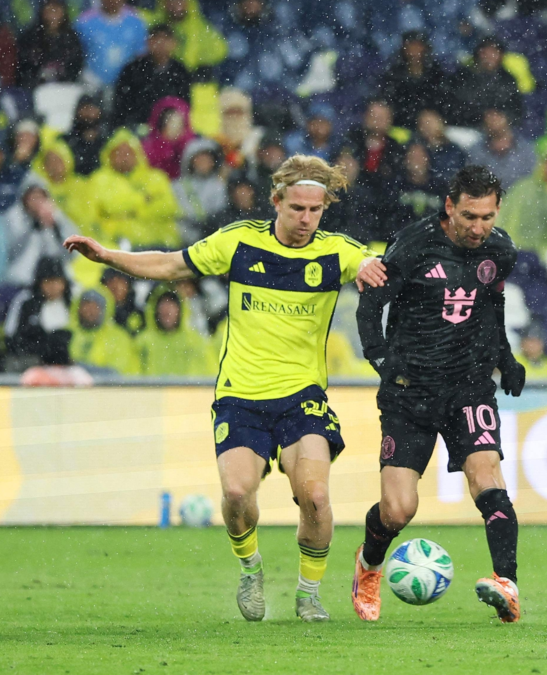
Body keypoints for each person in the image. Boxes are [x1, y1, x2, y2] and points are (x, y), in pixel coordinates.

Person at [64, 155, 385, 623]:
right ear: (276, 201)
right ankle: (250, 568)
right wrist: (108, 256)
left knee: (315, 496)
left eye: (315, 211)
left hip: (303, 398)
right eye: (297, 208)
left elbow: (375, 259)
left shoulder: (336, 251)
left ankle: (308, 593)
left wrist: (373, 268)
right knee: (237, 493)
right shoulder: (238, 242)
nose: (306, 219)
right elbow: (172, 265)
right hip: (243, 396)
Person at [352, 165, 526, 624]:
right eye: (469, 216)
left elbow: (492, 305)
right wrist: (382, 361)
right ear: (450, 207)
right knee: (398, 508)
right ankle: (369, 565)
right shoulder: (414, 244)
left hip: (469, 386)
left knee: (487, 475)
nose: (478, 228)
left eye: (487, 217)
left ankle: (507, 584)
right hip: (411, 391)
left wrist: (505, 358)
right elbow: (370, 303)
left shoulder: (500, 250)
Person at [113, 23, 192, 129]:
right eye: (156, 38)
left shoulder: (181, 71)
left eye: (165, 39)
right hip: (137, 127)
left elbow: (184, 106)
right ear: (148, 42)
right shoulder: (132, 69)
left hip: (169, 130)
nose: (161, 43)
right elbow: (122, 105)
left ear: (174, 43)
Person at [137, 283, 212, 376]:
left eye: (171, 305)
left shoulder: (196, 342)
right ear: (155, 310)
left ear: (181, 310)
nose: (167, 310)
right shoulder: (142, 343)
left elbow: (210, 376)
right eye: (163, 305)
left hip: (188, 390)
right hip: (151, 390)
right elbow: (130, 378)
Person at [74, 0, 146, 88]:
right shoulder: (84, 21)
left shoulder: (136, 21)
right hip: (92, 84)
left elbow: (141, 54)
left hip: (126, 85)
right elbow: (77, 53)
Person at [16, 0, 84, 89]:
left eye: (56, 9)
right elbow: (25, 68)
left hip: (65, 88)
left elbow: (75, 66)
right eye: (50, 9)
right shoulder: (30, 38)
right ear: (42, 11)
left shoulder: (71, 38)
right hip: (35, 89)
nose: (53, 14)